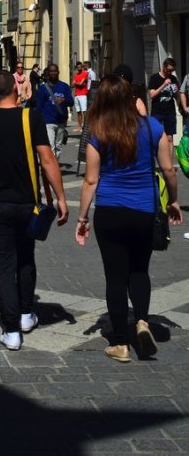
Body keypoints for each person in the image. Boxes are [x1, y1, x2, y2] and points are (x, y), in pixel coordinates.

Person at [75, 75, 182, 362]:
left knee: (115, 277)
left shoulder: (99, 131)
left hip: (110, 212)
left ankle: (121, 344)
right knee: (139, 270)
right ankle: (143, 323)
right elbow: (169, 170)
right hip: (143, 211)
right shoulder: (153, 127)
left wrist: (82, 218)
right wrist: (173, 200)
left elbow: (90, 181)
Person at [0, 71, 68, 351]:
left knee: (3, 266)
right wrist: (61, 198)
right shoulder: (31, 117)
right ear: (15, 88)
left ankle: (11, 331)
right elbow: (47, 160)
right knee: (26, 258)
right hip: (27, 203)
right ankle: (26, 314)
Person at [35, 63, 74, 160]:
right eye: (51, 71)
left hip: (60, 121)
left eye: (55, 71)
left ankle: (55, 165)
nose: (53, 73)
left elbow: (71, 102)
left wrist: (64, 100)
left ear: (58, 72)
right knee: (51, 145)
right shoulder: (43, 88)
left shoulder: (64, 87)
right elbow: (39, 106)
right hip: (48, 122)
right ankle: (53, 169)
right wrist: (38, 122)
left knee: (58, 146)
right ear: (48, 73)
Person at [148, 58, 181, 161]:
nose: (170, 72)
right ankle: (154, 160)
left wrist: (177, 95)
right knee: (155, 135)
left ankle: (169, 162)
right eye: (169, 70)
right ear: (164, 67)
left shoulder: (173, 79)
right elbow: (152, 95)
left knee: (170, 137)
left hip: (170, 111)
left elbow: (176, 95)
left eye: (172, 71)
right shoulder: (154, 78)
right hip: (157, 111)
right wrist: (163, 85)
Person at [72, 62, 89, 131]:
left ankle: (85, 127)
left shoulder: (85, 73)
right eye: (77, 67)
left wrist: (76, 83)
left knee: (84, 111)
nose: (79, 68)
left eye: (80, 67)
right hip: (76, 95)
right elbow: (72, 85)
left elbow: (81, 84)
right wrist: (77, 83)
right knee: (78, 112)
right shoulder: (76, 75)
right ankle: (79, 127)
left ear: (82, 67)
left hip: (83, 95)